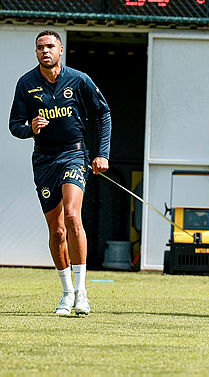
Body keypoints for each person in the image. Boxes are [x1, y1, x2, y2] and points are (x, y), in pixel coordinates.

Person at [9, 30, 111, 316]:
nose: (45, 51)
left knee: (71, 215)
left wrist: (101, 153)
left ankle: (82, 293)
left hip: (74, 154)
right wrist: (30, 128)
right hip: (43, 160)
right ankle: (66, 293)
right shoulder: (26, 83)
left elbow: (103, 113)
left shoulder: (79, 80)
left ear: (61, 50)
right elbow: (14, 125)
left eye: (50, 46)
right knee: (56, 230)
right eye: (40, 47)